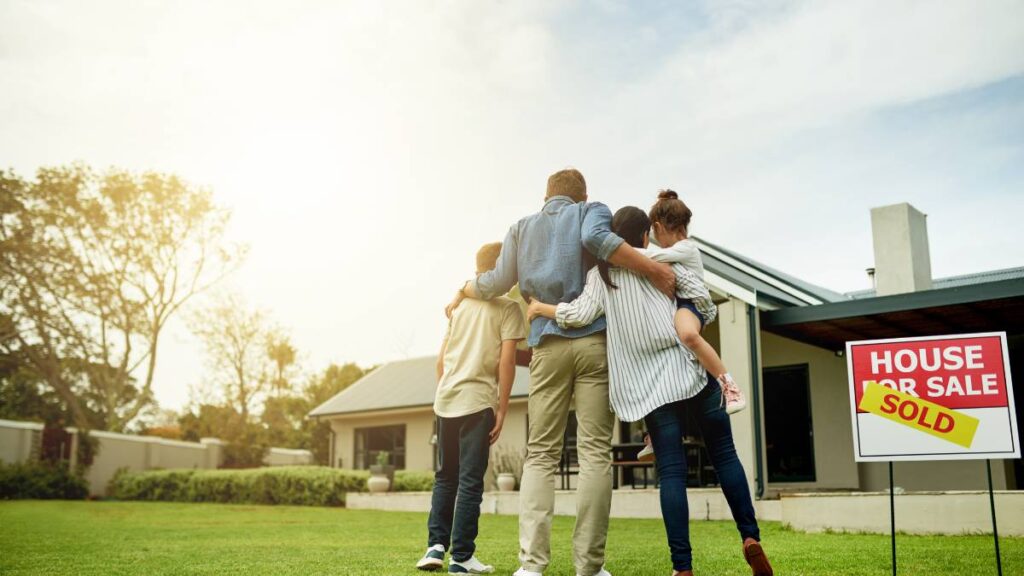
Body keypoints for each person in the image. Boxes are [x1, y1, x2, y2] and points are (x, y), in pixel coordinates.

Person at [446, 168, 676, 576]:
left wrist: (465, 286)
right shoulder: (592, 210)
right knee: (594, 454)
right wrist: (652, 268)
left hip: (547, 347)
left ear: (546, 195)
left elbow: (497, 281)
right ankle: (589, 566)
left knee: (541, 456)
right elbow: (596, 241)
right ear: (582, 195)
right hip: (593, 345)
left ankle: (531, 566)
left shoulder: (521, 227)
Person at [528, 206, 772, 576]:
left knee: (672, 473)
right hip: (689, 373)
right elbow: (701, 299)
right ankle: (750, 537)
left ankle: (683, 568)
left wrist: (540, 308)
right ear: (645, 235)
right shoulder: (661, 261)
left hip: (652, 391)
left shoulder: (601, 274)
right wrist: (694, 317)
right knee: (724, 455)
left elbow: (578, 314)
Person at [417, 242, 525, 574]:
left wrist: (445, 393)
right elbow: (507, 361)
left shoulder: (458, 307)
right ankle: (461, 557)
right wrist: (502, 407)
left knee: (445, 477)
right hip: (477, 403)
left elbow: (440, 361)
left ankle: (435, 547)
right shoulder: (508, 309)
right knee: (469, 481)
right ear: (501, 270)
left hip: (446, 400)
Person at [636, 190, 746, 462]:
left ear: (659, 227)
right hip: (680, 307)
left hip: (691, 306)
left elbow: (650, 260)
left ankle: (729, 385)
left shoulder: (686, 248)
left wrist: (617, 251)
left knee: (686, 335)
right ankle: (652, 433)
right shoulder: (677, 250)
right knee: (669, 371)